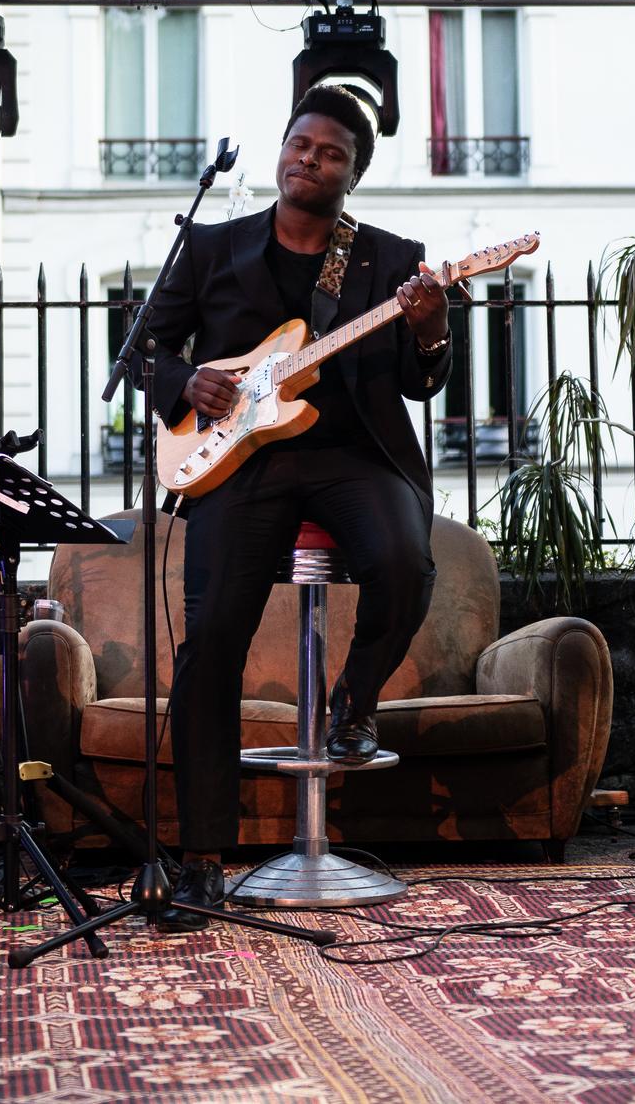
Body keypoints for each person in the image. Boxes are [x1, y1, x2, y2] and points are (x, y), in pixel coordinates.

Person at [147, 84, 452, 927]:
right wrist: (187, 381)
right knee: (211, 638)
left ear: (353, 174)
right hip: (240, 462)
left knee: (404, 562)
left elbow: (423, 382)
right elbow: (145, 350)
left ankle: (355, 700)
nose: (309, 160)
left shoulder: (391, 260)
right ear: (283, 149)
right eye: (300, 144)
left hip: (356, 455)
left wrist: (431, 328)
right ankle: (201, 859)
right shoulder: (211, 245)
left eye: (330, 154)